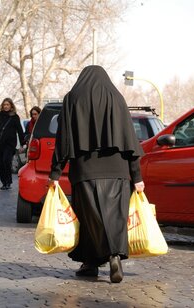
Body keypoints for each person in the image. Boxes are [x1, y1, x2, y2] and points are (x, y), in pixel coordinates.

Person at [49, 65, 145, 283]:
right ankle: (113, 256)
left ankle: (91, 263)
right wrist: (137, 177)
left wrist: (55, 173)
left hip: (86, 171)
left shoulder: (73, 98)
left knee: (89, 219)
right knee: (115, 218)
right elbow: (130, 139)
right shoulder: (116, 98)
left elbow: (63, 139)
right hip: (118, 171)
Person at [0, 98, 25, 190]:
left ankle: (8, 181)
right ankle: (4, 182)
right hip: (0, 143)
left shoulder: (15, 117)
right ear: (2, 106)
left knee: (6, 161)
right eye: (4, 105)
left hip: (10, 143)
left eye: (8, 104)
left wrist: (23, 142)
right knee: (2, 163)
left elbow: (19, 130)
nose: (6, 106)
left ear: (11, 106)